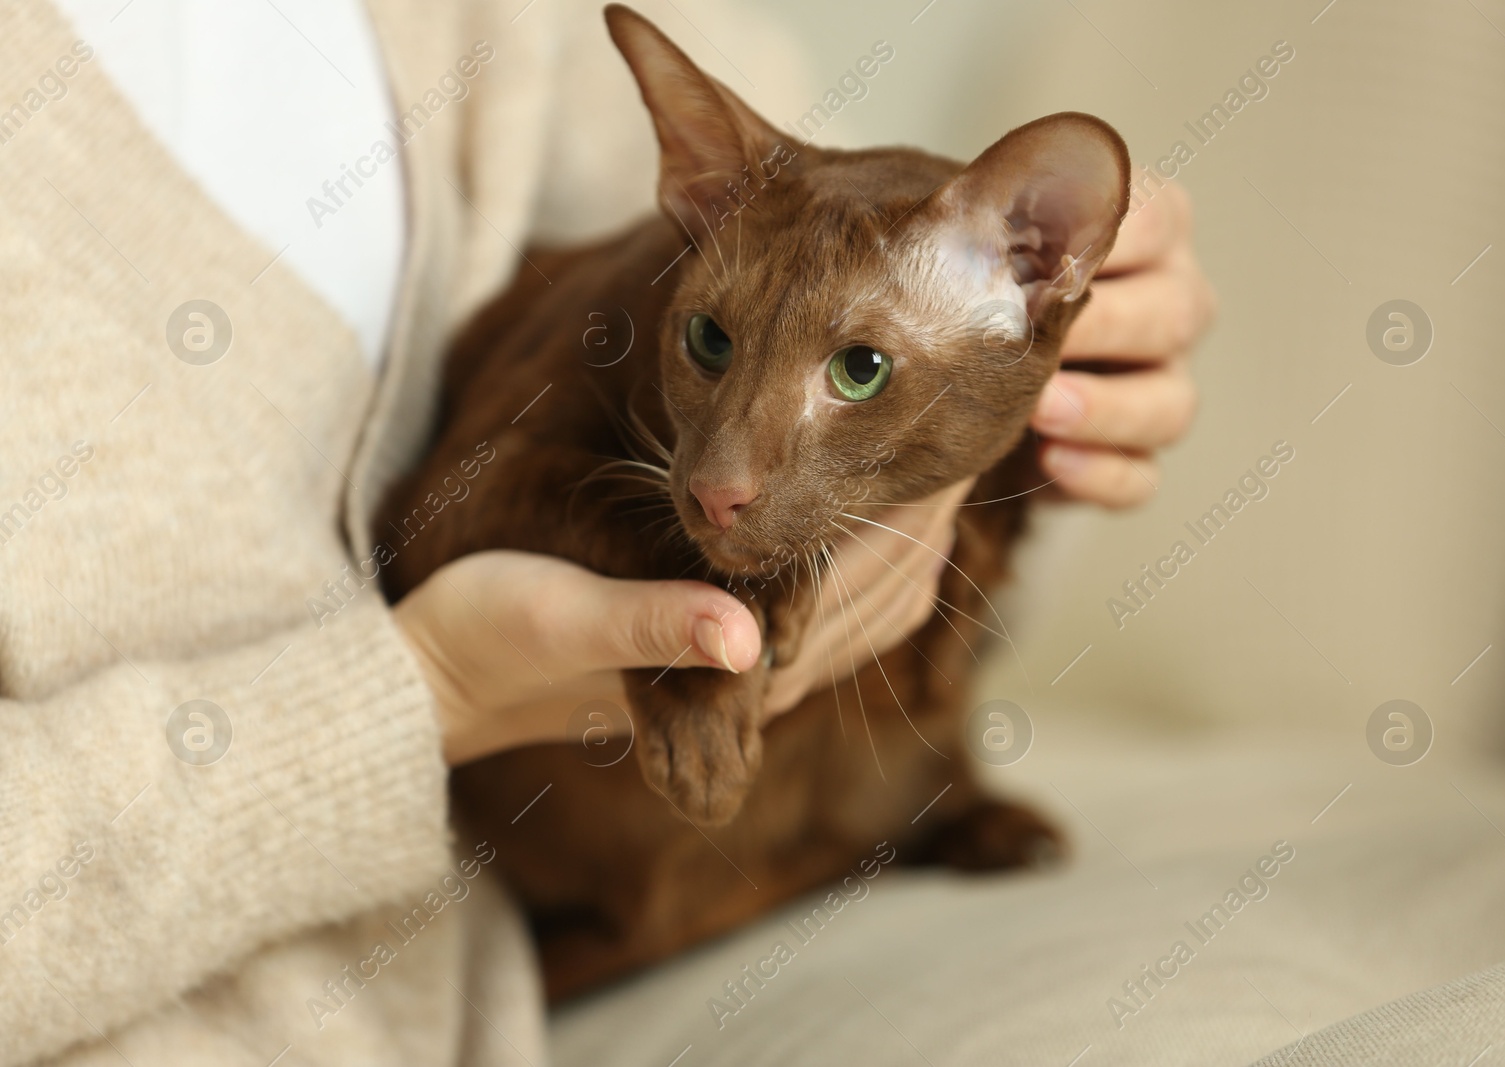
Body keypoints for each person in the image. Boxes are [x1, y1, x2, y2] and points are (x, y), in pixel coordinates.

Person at [0, 0, 1211, 1063]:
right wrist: (431, 692)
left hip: (786, 835)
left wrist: (1077, 402)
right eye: (709, 347)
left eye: (849, 367)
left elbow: (825, 199)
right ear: (691, 193)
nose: (721, 472)